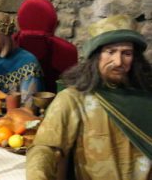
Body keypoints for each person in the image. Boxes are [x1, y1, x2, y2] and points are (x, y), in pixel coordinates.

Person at [26, 14, 152, 180]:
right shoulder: (73, 99)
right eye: (110, 52)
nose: (118, 61)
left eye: (126, 53)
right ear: (96, 56)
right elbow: (44, 148)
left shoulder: (146, 98)